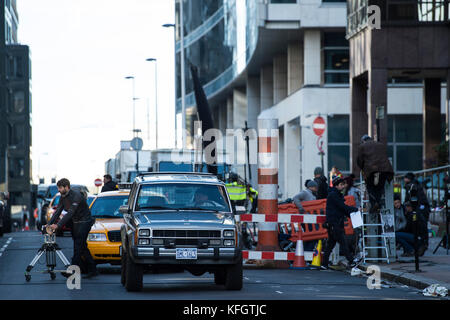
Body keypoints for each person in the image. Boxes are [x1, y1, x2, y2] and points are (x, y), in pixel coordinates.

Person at [46, 178, 98, 278]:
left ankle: (72, 270)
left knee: (78, 245)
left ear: (67, 187)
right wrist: (49, 224)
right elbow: (57, 212)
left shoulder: (76, 196)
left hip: (84, 222)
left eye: (60, 188)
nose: (59, 190)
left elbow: (70, 213)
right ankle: (92, 269)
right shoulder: (63, 197)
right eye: (58, 188)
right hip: (76, 222)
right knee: (81, 246)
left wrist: (58, 225)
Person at [321, 176, 359, 270]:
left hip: (335, 223)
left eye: (343, 184)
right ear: (336, 185)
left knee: (331, 244)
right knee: (343, 242)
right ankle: (351, 261)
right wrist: (356, 210)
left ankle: (324, 264)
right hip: (335, 223)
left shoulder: (336, 194)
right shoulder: (334, 195)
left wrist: (353, 212)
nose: (344, 186)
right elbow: (343, 207)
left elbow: (342, 209)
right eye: (341, 184)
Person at [357, 134, 394, 212]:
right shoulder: (380, 145)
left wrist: (362, 168)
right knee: (379, 187)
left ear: (363, 141)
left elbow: (359, 160)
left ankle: (374, 203)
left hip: (371, 170)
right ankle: (378, 203)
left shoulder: (362, 146)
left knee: (370, 187)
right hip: (385, 170)